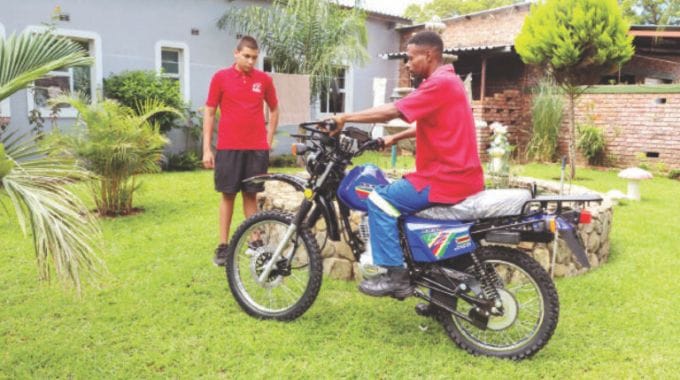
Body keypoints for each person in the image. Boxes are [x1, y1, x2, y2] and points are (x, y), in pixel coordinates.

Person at [331, 31, 484, 297]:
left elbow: (395, 110)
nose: (407, 63)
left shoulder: (438, 84)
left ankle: (396, 275)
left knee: (379, 200)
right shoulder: (450, 81)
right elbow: (428, 124)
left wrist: (346, 116)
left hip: (443, 178)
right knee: (399, 200)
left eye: (411, 57)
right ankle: (436, 295)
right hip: (459, 176)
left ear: (429, 55)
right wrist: (394, 139)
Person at [203, 35, 279, 266]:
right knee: (228, 195)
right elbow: (209, 111)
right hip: (228, 147)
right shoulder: (220, 78)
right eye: (246, 56)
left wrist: (268, 139)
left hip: (256, 148)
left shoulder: (263, 80)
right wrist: (207, 148)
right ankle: (223, 246)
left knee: (251, 194)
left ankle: (255, 241)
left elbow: (274, 110)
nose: (250, 61)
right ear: (236, 54)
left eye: (254, 57)